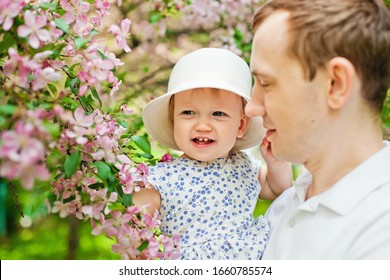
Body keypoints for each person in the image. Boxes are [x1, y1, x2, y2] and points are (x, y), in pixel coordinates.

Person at [246, 0, 390, 259]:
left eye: (266, 83)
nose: (252, 107)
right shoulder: (288, 203)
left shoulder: (380, 229)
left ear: (335, 84)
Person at [135, 48, 292, 259]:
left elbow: (277, 188)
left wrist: (278, 163)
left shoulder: (243, 165)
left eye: (218, 114)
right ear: (174, 121)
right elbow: (137, 226)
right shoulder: (161, 177)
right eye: (188, 113)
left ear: (240, 126)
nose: (202, 125)